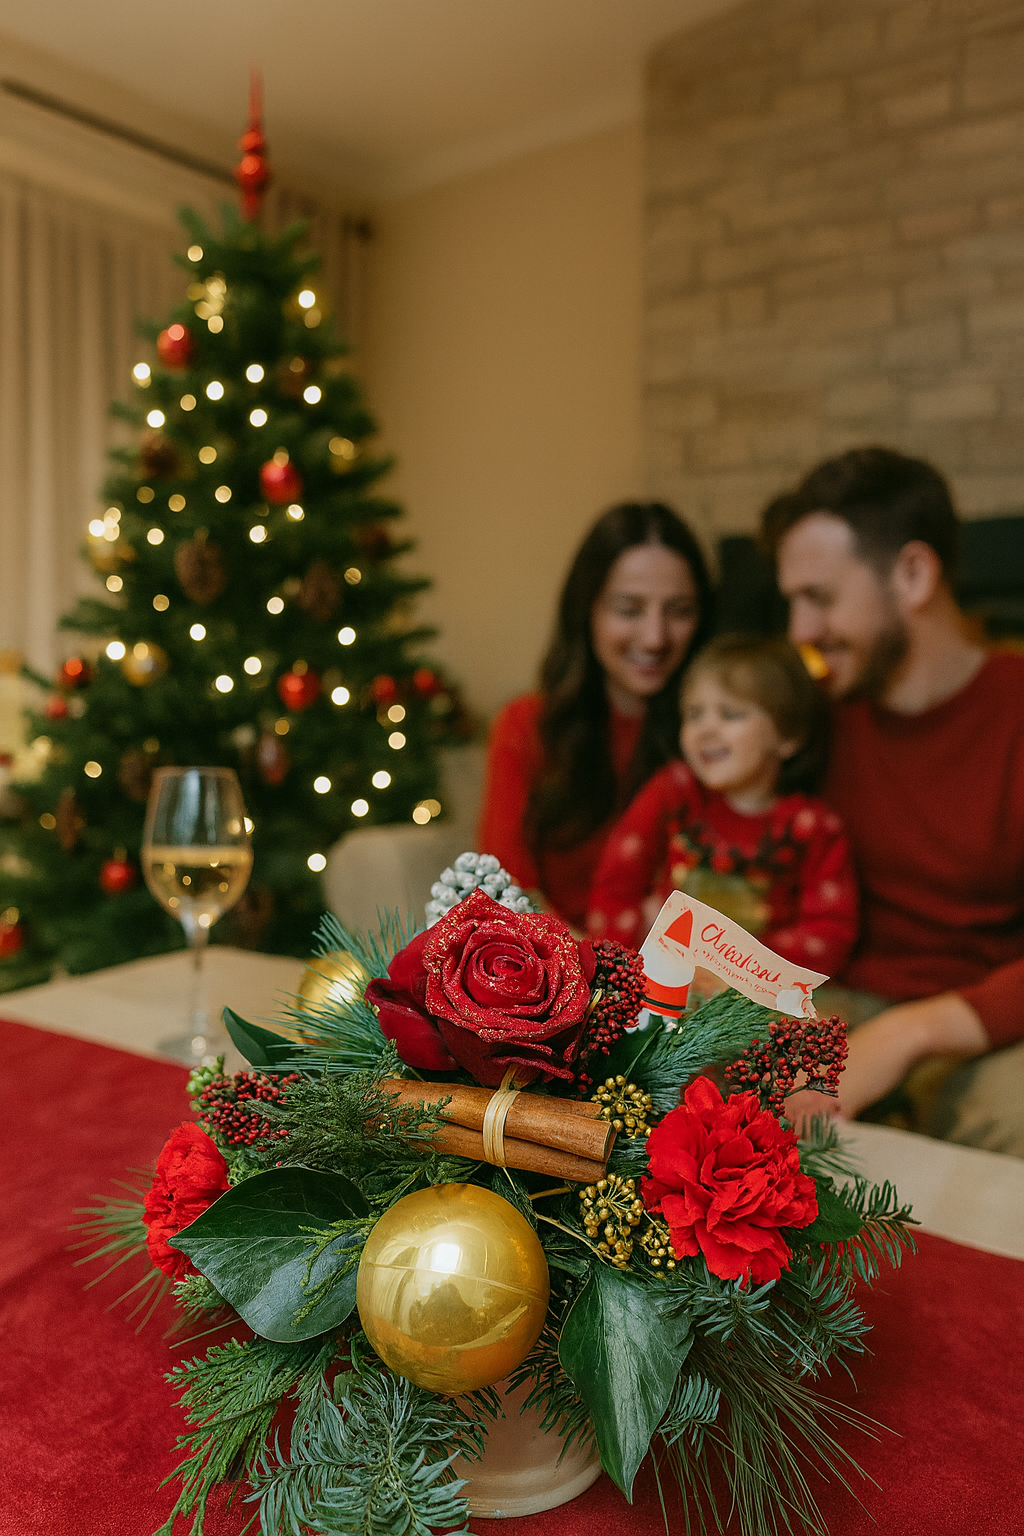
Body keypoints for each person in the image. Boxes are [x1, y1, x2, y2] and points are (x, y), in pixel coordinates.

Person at [764, 446, 1024, 1153]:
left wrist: (909, 1034)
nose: (800, 632)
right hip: (830, 1003)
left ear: (913, 574)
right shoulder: (813, 719)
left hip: (980, 1025)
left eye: (818, 598)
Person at [477, 502, 713, 930]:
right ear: (586, 611)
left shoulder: (721, 736)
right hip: (556, 975)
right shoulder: (525, 727)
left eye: (679, 611)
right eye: (629, 609)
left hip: (693, 985)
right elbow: (504, 893)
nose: (656, 636)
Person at [586, 634, 858, 978]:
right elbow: (615, 884)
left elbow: (830, 935)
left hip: (756, 1001)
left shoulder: (813, 826)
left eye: (730, 714)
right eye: (694, 714)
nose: (705, 729)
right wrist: (622, 961)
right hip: (659, 980)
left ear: (787, 735)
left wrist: (736, 970)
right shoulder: (675, 791)